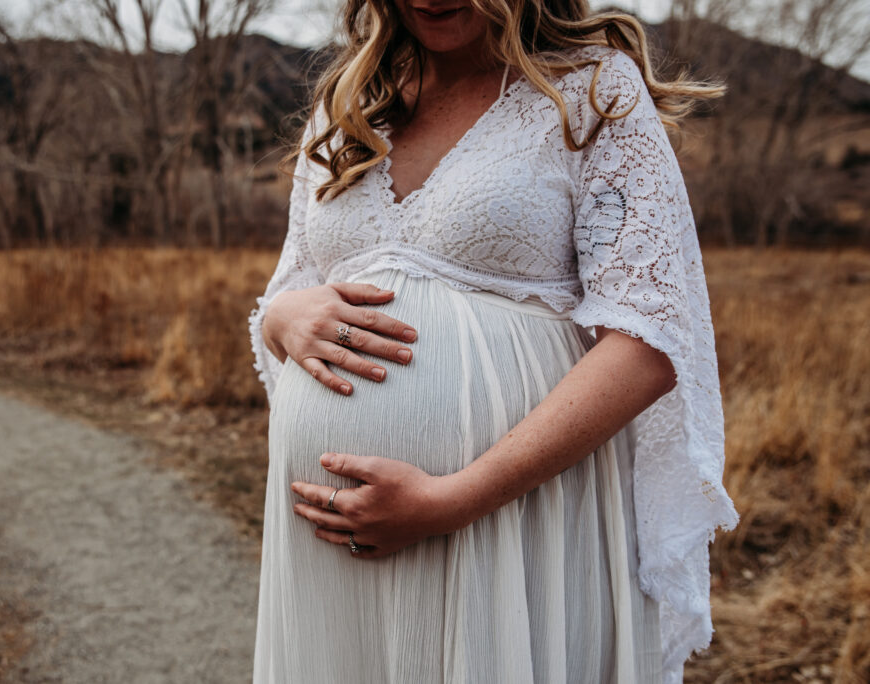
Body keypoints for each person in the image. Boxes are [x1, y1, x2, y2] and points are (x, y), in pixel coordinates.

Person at [248, 0, 739, 681]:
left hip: (512, 520)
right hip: (333, 542)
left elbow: (648, 342)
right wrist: (281, 319)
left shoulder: (593, 90)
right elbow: (293, 288)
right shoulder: (349, 107)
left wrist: (455, 499)